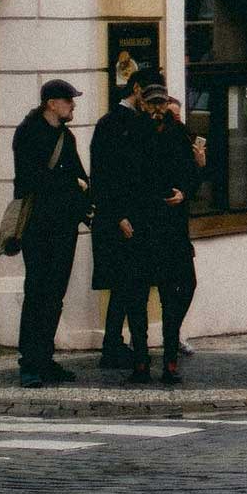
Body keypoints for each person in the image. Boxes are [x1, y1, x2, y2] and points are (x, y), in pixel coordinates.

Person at [12, 79, 90, 388]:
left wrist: (83, 194)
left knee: (55, 294)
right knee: (37, 291)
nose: (73, 105)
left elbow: (79, 175)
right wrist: (72, 185)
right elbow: (33, 179)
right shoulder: (28, 133)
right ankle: (29, 362)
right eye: (68, 100)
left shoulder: (65, 136)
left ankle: (44, 357)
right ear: (51, 103)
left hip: (64, 225)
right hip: (38, 225)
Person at [91, 68, 159, 381]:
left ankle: (114, 344)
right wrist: (118, 214)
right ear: (136, 90)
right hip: (119, 219)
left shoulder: (140, 122)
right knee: (126, 283)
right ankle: (116, 345)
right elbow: (103, 175)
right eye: (149, 95)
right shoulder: (112, 124)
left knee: (124, 285)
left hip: (135, 217)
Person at [148, 92, 202, 386]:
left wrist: (184, 190)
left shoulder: (178, 133)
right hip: (151, 224)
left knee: (187, 285)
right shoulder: (140, 135)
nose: (158, 110)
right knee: (163, 292)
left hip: (176, 225)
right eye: (153, 104)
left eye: (161, 105)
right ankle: (163, 360)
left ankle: (171, 342)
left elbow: (192, 175)